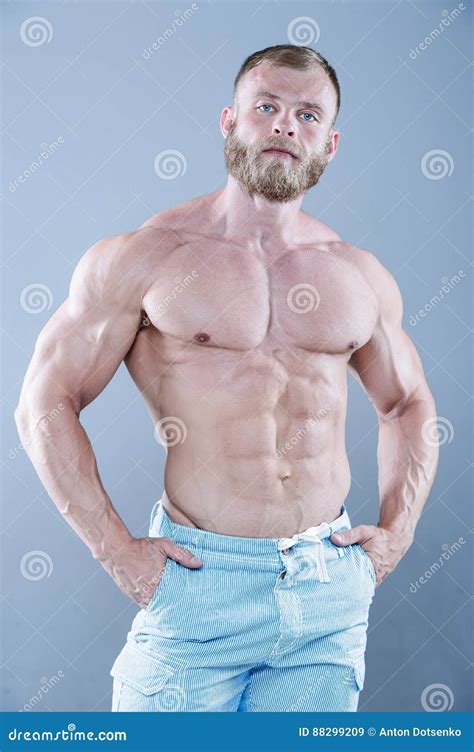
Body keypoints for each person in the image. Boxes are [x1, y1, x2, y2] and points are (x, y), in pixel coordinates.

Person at [15, 45, 439, 712]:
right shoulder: (147, 256)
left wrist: (396, 535)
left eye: (306, 114)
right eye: (265, 106)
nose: (283, 125)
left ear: (330, 142)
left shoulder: (355, 273)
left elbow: (409, 404)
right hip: (197, 586)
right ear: (229, 120)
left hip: (326, 593)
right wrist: (118, 552)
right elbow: (44, 402)